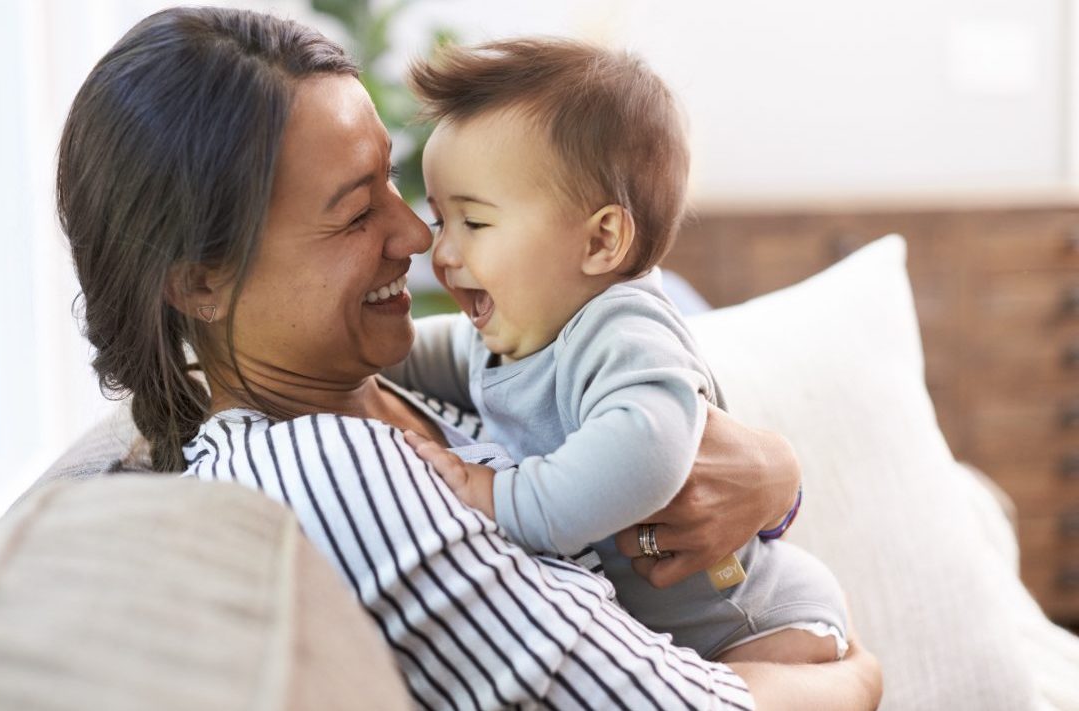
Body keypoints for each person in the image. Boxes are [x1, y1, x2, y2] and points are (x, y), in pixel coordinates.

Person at [56, 6, 881, 709]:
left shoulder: (370, 382)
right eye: (353, 215)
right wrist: (861, 678)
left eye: (393, 183)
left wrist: (775, 474)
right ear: (201, 282)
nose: (417, 238)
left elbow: (620, 386)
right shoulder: (331, 474)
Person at [388, 39, 847, 665]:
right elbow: (431, 354)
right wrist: (370, 350)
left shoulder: (622, 328)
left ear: (601, 240)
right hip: (673, 638)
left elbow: (648, 445)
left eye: (475, 222)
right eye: (441, 221)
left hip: (754, 624)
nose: (441, 252)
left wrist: (500, 499)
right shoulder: (520, 328)